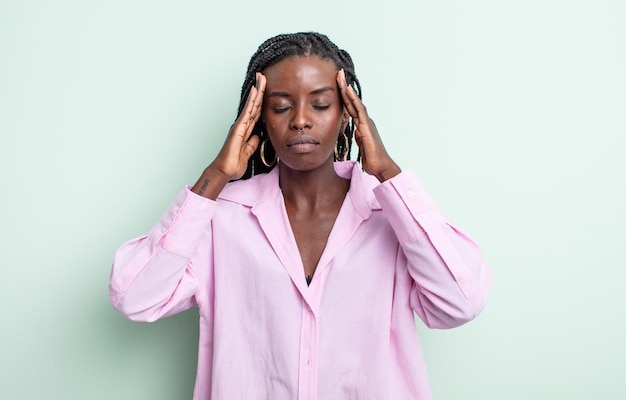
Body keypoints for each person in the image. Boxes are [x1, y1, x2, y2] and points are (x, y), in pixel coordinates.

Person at [110, 32, 492, 400]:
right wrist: (215, 177)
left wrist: (387, 173)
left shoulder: (391, 216)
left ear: (348, 115)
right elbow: (136, 298)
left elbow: (460, 302)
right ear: (259, 118)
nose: (301, 121)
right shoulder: (221, 219)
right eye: (281, 106)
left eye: (321, 104)